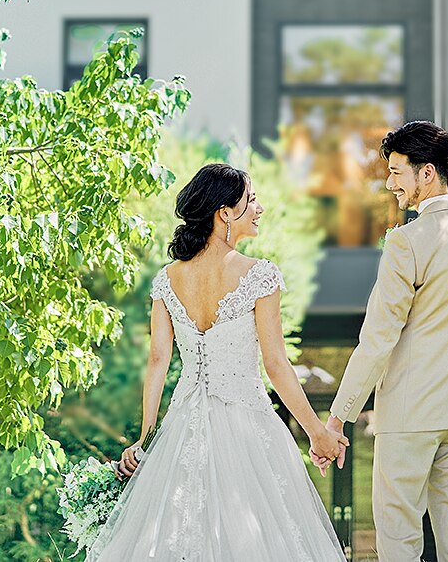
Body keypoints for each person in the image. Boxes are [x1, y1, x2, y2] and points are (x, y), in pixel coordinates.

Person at [86, 163, 348, 561]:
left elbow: (158, 361)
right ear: (225, 213)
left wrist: (146, 438)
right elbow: (276, 365)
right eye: (251, 200)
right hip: (249, 426)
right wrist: (316, 432)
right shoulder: (260, 276)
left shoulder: (167, 279)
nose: (259, 209)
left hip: (182, 428)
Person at [315, 121, 448, 562]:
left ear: (426, 173)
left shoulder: (406, 242)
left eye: (396, 172)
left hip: (411, 411)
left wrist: (337, 418)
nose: (390, 183)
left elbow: (378, 338)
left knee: (398, 535)